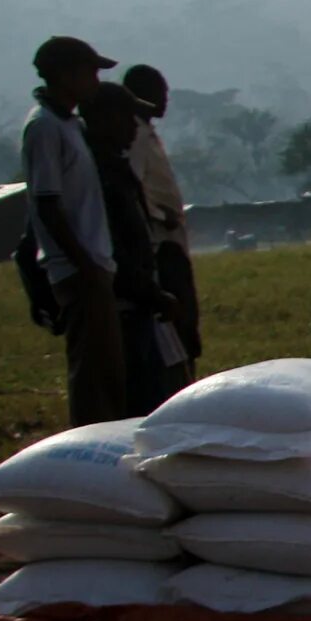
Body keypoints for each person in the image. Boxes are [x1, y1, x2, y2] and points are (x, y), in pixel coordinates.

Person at [20, 37, 128, 424]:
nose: (96, 81)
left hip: (92, 265)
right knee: (92, 374)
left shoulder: (68, 125)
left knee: (107, 371)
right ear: (65, 76)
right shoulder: (44, 128)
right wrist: (85, 265)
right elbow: (46, 205)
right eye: (90, 73)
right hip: (79, 269)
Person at [77, 82, 181, 411]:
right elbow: (111, 243)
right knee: (138, 397)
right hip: (124, 299)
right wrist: (147, 291)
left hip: (136, 297)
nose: (133, 129)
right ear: (106, 119)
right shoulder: (97, 175)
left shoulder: (112, 166)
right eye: (127, 119)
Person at [120, 63, 201, 384]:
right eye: (159, 93)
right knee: (178, 321)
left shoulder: (146, 132)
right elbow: (131, 187)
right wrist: (159, 215)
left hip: (170, 239)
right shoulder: (136, 136)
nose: (165, 100)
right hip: (160, 243)